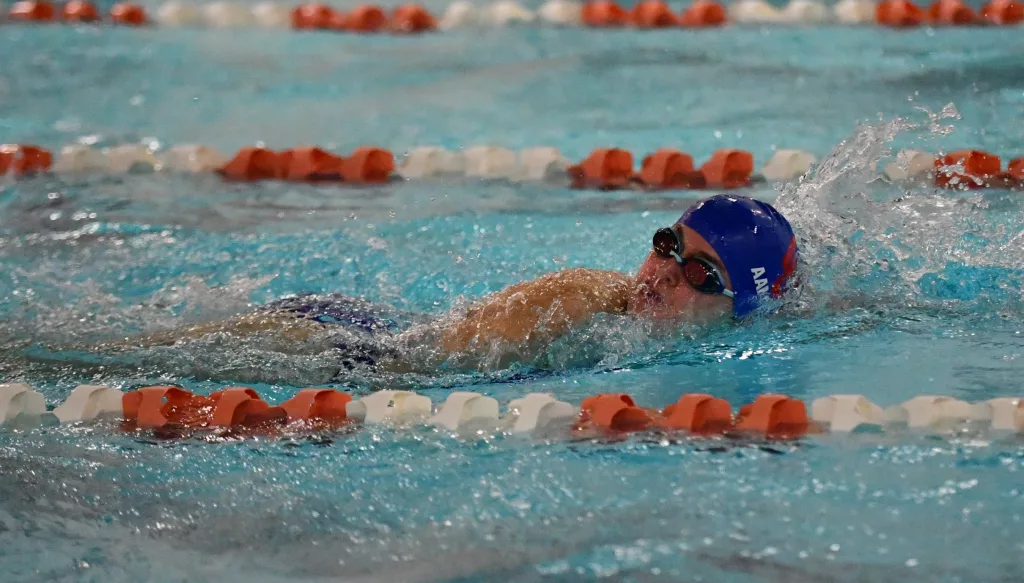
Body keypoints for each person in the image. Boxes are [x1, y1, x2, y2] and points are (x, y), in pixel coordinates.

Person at [121, 194, 799, 372]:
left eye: (698, 272)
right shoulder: (579, 302)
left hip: (367, 334)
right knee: (119, 360)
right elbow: (417, 366)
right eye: (668, 245)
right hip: (336, 338)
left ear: (740, 307)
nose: (664, 272)